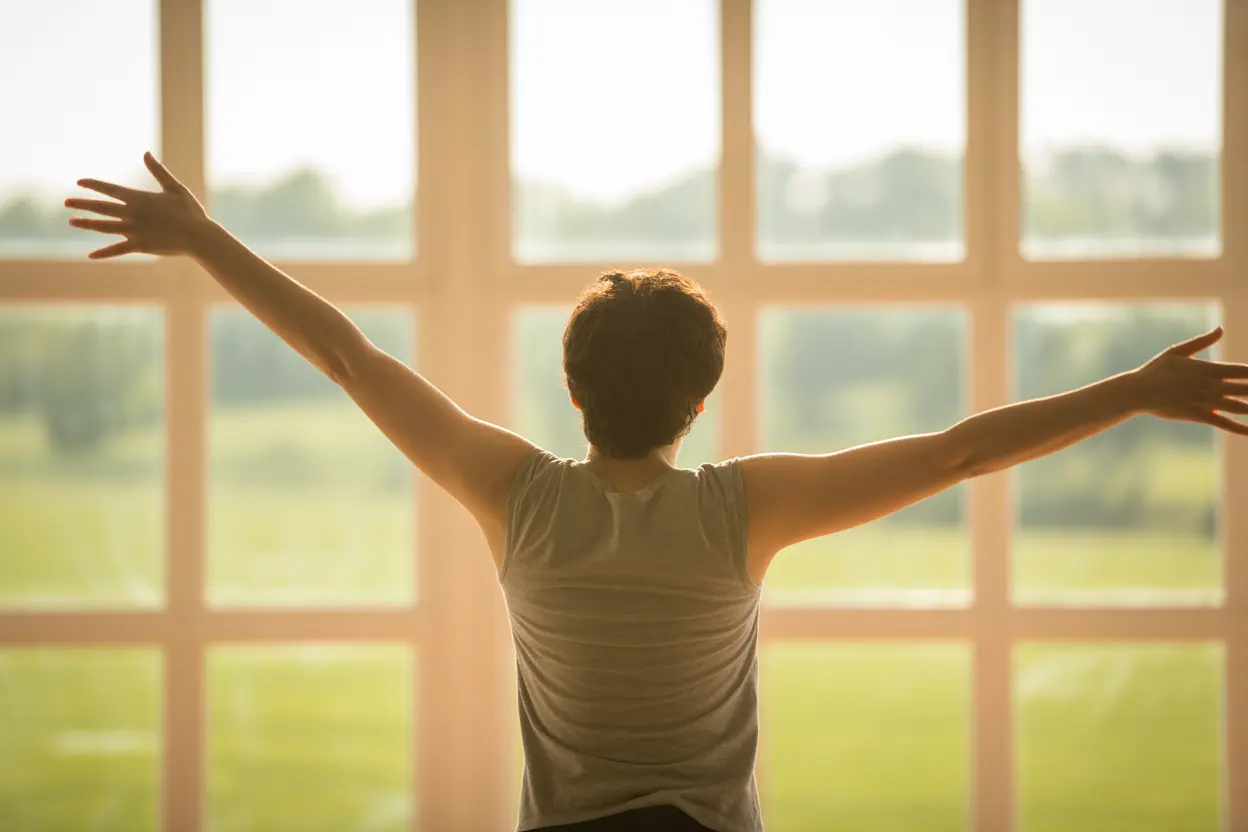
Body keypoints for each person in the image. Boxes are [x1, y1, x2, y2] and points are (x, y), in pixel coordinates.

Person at [67, 153, 1248, 832]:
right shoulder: (743, 510)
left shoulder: (514, 493)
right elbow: (960, 452)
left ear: (571, 389)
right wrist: (1134, 390)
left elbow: (347, 357)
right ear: (697, 403)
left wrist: (208, 240)